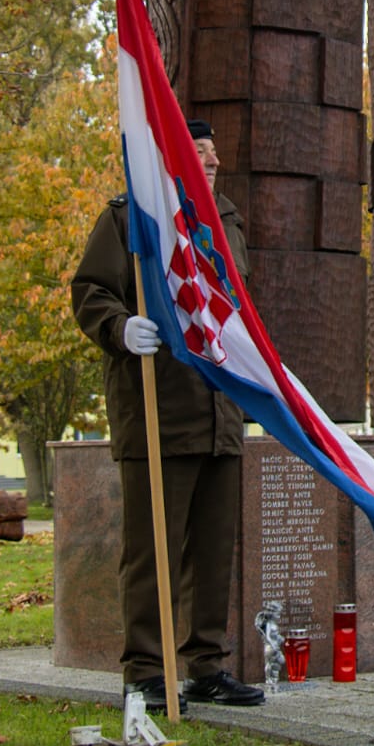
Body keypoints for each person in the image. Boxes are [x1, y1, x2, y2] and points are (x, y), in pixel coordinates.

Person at [72, 118, 264, 712]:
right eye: (197, 152)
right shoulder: (130, 215)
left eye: (213, 153)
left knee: (212, 553)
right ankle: (146, 671)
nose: (209, 161)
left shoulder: (226, 221)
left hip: (220, 413)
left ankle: (205, 665)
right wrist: (120, 328)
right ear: (173, 158)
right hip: (157, 409)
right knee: (153, 551)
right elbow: (91, 290)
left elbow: (236, 311)